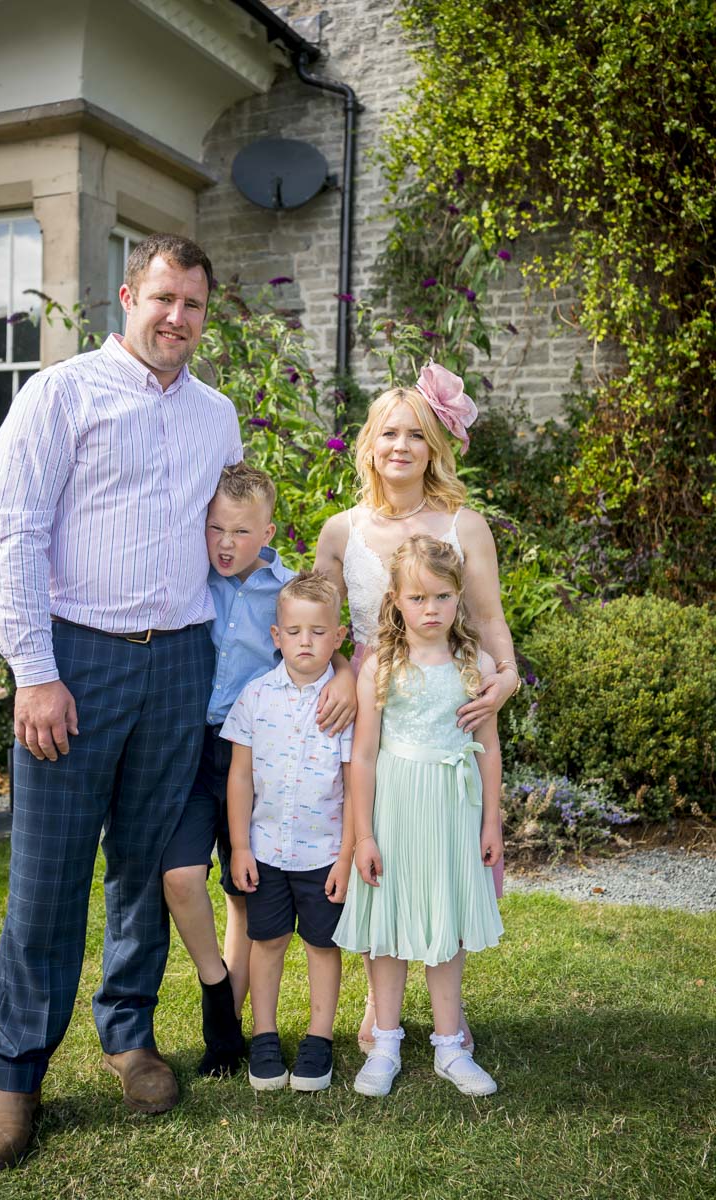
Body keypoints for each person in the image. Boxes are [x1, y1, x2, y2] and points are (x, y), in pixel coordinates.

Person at [0, 234, 241, 1172]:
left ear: (207, 314)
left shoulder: (218, 416)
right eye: (163, 297)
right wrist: (34, 672)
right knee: (46, 878)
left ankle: (129, 1038)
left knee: (145, 869)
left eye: (194, 305)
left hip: (180, 663)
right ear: (128, 295)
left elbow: (232, 541)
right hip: (76, 662)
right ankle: (16, 1074)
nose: (176, 317)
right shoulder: (61, 395)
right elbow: (14, 534)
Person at [314, 361, 518, 1050]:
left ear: (434, 447)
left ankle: (430, 1015)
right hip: (374, 702)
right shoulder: (341, 531)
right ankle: (384, 1001)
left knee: (440, 849)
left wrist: (509, 675)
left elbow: (488, 621)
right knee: (372, 845)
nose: (400, 446)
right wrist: (343, 671)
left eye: (415, 435)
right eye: (388, 433)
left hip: (444, 693)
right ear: (369, 444)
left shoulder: (464, 526)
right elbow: (319, 622)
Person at [161, 466, 355, 1077]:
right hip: (196, 747)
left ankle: (234, 1037)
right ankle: (220, 995)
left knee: (246, 897)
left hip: (261, 754)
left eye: (240, 531)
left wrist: (346, 674)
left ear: (267, 532)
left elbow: (317, 638)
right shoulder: (189, 576)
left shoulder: (282, 589)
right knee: (182, 875)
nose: (223, 542)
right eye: (214, 527)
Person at [333, 535, 504, 1097]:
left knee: (445, 921)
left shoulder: (473, 663)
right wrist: (363, 835)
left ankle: (450, 1047)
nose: (431, 610)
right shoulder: (382, 665)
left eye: (443, 597)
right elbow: (362, 754)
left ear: (458, 598)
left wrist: (491, 822)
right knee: (387, 925)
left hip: (454, 808)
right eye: (418, 598)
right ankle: (384, 1041)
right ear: (396, 601)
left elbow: (490, 748)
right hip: (396, 807)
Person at [224, 572, 354, 1092]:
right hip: (267, 850)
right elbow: (239, 775)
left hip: (323, 852)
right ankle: (265, 1034)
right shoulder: (256, 697)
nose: (306, 641)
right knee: (268, 940)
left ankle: (319, 1037)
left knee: (322, 944)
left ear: (338, 637)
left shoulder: (345, 706)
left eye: (319, 632)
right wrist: (238, 846)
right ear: (276, 636)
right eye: (294, 631)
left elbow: (354, 785)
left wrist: (346, 856)